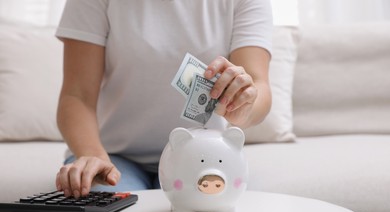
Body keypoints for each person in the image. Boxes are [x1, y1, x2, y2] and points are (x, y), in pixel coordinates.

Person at [55, 0, 273, 198]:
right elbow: (77, 95)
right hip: (111, 157)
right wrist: (93, 156)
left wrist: (245, 106)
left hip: (204, 153)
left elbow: (258, 85)